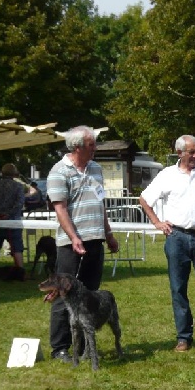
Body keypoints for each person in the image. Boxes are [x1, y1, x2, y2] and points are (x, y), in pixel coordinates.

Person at [139, 135, 195, 352]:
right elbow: (144, 199)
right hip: (176, 237)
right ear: (179, 153)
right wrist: (157, 222)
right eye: (191, 152)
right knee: (178, 289)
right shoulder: (167, 175)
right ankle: (183, 337)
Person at [46, 125, 119, 363]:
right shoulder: (59, 171)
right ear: (77, 147)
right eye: (91, 145)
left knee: (88, 296)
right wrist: (74, 237)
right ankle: (60, 348)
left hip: (95, 240)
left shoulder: (96, 169)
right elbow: (61, 209)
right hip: (70, 244)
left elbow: (100, 204)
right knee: (64, 296)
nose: (95, 148)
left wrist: (108, 234)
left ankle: (84, 349)